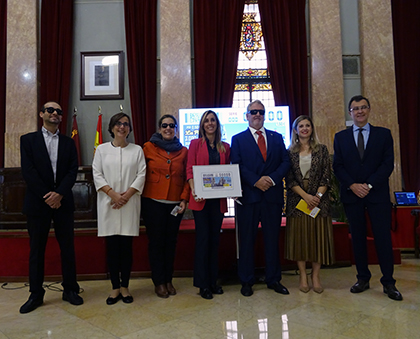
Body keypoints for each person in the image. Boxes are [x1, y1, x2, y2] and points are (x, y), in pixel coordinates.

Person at [333, 95, 402, 301]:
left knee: (382, 238)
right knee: (358, 240)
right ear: (350, 112)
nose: (360, 111)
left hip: (377, 195)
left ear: (369, 110)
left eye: (363, 107)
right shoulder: (341, 137)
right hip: (352, 195)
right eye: (355, 108)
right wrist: (353, 185)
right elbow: (338, 166)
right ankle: (362, 278)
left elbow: (387, 164)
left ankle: (389, 282)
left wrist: (369, 185)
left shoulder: (383, 134)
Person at [19, 101, 83, 314]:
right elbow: (28, 172)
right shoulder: (28, 140)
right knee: (37, 250)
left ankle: (70, 290)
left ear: (61, 117)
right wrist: (48, 196)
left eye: (59, 111)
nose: (55, 113)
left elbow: (73, 171)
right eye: (50, 110)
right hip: (38, 203)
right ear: (41, 114)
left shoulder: (68, 142)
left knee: (68, 249)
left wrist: (59, 194)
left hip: (63, 202)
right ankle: (36, 294)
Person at [231, 100, 291, 297]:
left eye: (260, 112)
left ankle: (274, 279)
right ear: (246, 116)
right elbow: (237, 165)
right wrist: (256, 180)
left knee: (272, 240)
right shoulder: (237, 139)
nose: (257, 114)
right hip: (249, 197)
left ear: (264, 115)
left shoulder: (276, 137)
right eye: (253, 112)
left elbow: (285, 162)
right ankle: (246, 281)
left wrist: (272, 179)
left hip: (272, 197)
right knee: (247, 240)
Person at [92, 113, 146, 305]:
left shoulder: (137, 150)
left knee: (126, 249)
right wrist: (113, 195)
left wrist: (126, 196)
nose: (122, 127)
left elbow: (141, 175)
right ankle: (115, 287)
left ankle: (125, 286)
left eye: (126, 124)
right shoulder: (102, 150)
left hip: (129, 204)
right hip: (109, 204)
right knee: (112, 249)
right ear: (112, 127)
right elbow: (97, 174)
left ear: (129, 129)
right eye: (118, 124)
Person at [285, 115, 335, 294]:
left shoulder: (321, 150)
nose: (305, 128)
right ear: (295, 130)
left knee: (318, 239)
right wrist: (306, 196)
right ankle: (303, 276)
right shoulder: (289, 152)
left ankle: (315, 276)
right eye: (301, 126)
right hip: (297, 200)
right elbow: (289, 179)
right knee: (300, 239)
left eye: (307, 125)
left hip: (319, 201)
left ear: (312, 128)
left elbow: (326, 176)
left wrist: (317, 196)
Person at [142, 114, 190, 298]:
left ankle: (169, 279)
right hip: (152, 202)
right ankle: (159, 281)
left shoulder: (184, 151)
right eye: (164, 125)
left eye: (171, 125)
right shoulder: (148, 147)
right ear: (159, 128)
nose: (168, 128)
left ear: (176, 128)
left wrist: (184, 199)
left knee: (171, 242)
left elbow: (188, 176)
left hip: (175, 203)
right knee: (156, 243)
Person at [187, 110, 230, 300]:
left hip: (218, 201)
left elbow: (229, 173)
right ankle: (202, 284)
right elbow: (189, 169)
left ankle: (213, 282)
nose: (210, 123)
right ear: (202, 125)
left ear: (217, 124)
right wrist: (194, 189)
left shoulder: (225, 147)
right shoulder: (195, 144)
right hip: (200, 200)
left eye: (213, 120)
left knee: (214, 241)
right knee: (203, 240)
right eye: (206, 121)